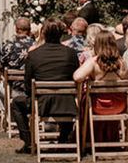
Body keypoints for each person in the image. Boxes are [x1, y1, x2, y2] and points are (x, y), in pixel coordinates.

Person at [11, 19, 79, 153]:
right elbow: (75, 77)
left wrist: (34, 96)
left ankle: (28, 141)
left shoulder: (34, 55)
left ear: (43, 34)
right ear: (61, 34)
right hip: (67, 104)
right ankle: (63, 138)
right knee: (64, 98)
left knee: (16, 104)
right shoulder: (71, 54)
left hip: (41, 103)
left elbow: (28, 85)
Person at [74, 30, 128, 147]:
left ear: (97, 44)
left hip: (97, 106)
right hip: (119, 106)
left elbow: (77, 77)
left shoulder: (94, 62)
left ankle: (87, 139)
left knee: (83, 99)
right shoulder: (122, 62)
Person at [0, 17, 35, 110]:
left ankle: (9, 114)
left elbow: (2, 67)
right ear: (29, 30)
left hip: (13, 88)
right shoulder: (36, 45)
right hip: (32, 87)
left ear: (16, 29)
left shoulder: (8, 46)